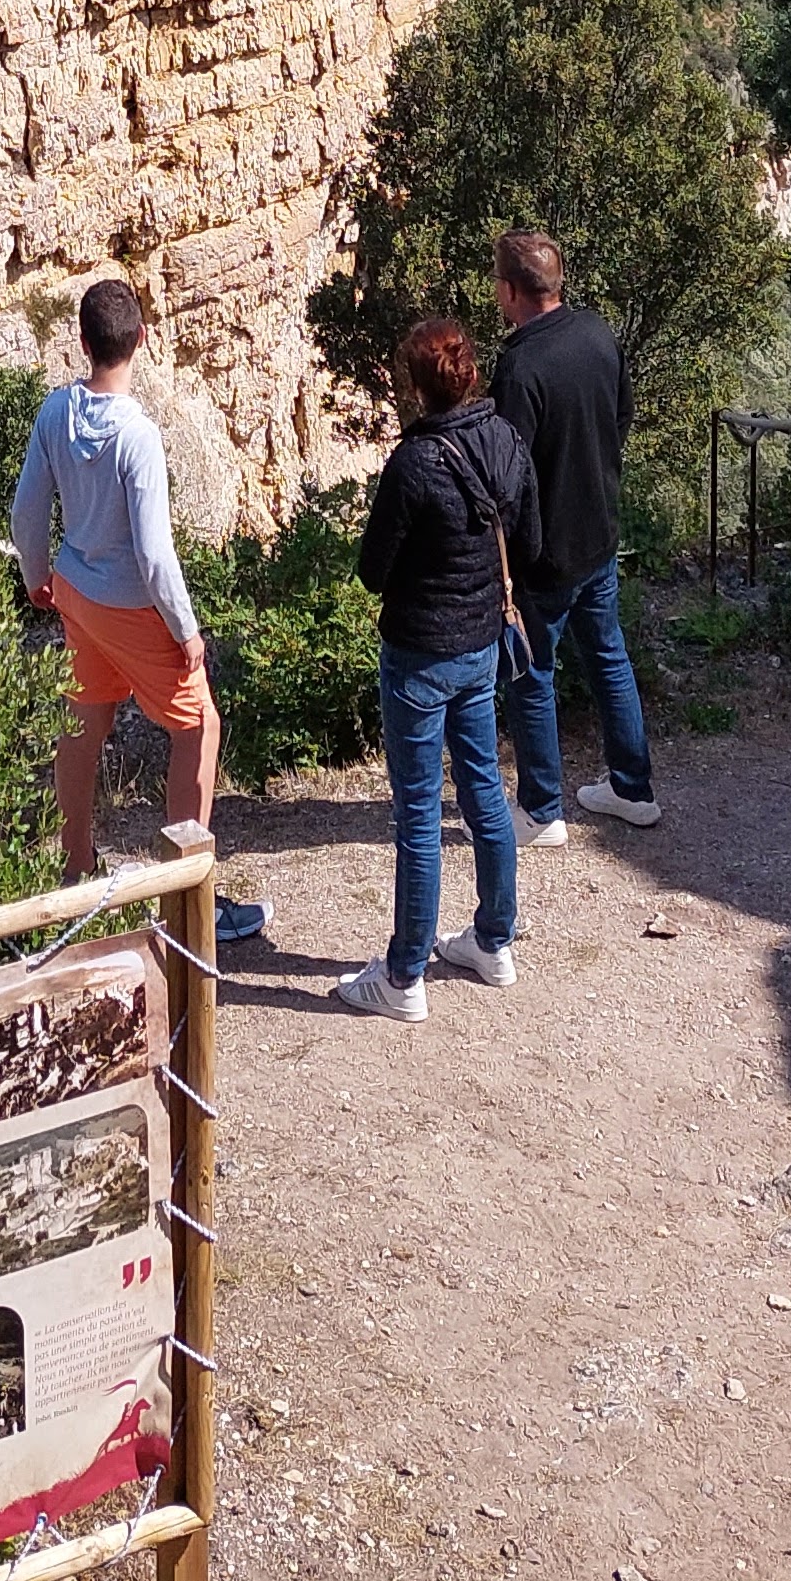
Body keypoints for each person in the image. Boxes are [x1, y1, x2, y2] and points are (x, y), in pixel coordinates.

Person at [10, 277, 265, 947]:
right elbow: (154, 556)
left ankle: (75, 870)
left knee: (85, 721)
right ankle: (189, 897)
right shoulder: (139, 436)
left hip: (77, 593)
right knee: (198, 726)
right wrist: (187, 631)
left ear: (84, 342)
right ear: (143, 339)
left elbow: (27, 511)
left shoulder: (55, 411)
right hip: (132, 604)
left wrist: (38, 578)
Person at [334, 315, 539, 1020]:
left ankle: (403, 978)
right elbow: (529, 543)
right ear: (471, 376)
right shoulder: (505, 440)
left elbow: (372, 571)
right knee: (484, 789)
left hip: (420, 653)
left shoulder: (415, 463)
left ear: (417, 387)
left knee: (419, 814)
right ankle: (493, 941)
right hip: (481, 645)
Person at [488, 225, 659, 839]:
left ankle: (541, 810)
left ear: (512, 291)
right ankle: (632, 789)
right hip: (599, 534)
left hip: (544, 556)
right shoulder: (597, 332)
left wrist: (504, 554)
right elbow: (621, 416)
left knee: (532, 673)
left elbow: (505, 473)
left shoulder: (520, 366)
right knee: (608, 656)